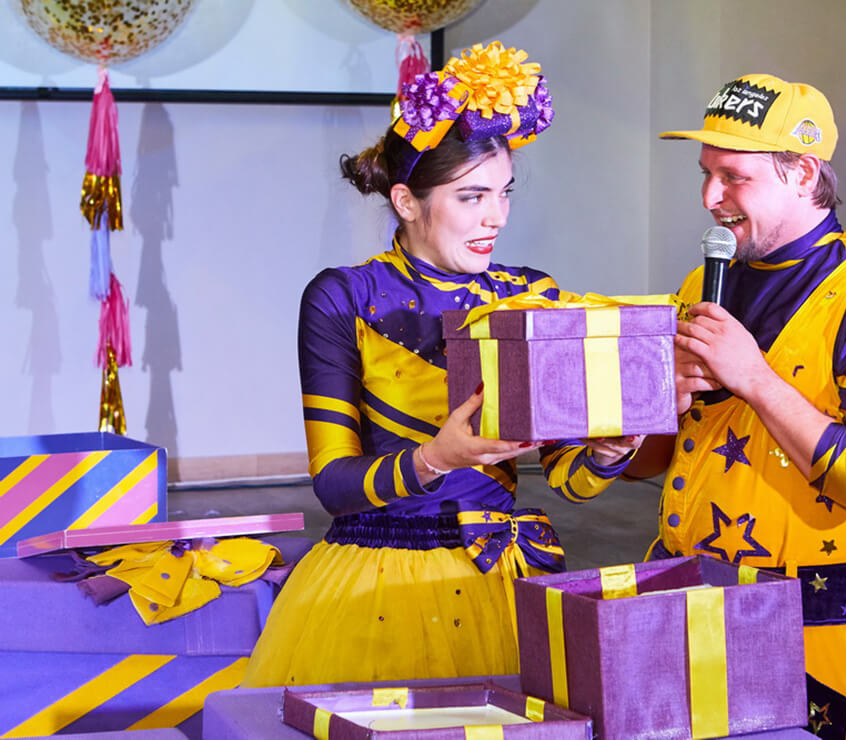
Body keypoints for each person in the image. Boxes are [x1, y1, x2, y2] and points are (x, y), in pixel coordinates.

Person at [242, 42, 641, 688]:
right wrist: (436, 458)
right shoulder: (344, 297)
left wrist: (607, 453)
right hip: (375, 585)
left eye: (504, 193)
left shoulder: (531, 295)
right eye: (472, 197)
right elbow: (334, 485)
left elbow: (566, 476)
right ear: (406, 202)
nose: (497, 217)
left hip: (501, 576)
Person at [626, 74, 846, 740]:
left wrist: (755, 379)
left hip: (806, 636)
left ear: (802, 173)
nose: (710, 198)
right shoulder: (701, 282)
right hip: (680, 611)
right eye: (706, 174)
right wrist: (643, 412)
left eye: (733, 177)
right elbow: (653, 459)